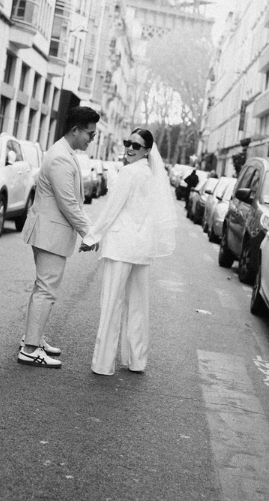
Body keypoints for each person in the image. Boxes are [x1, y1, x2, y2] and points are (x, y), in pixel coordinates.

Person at [81, 128, 176, 375]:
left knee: (111, 305)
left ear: (146, 150)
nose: (130, 148)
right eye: (128, 143)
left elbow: (112, 208)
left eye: (136, 145)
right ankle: (137, 360)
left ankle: (103, 363)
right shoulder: (150, 174)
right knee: (138, 307)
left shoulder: (128, 172)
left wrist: (92, 236)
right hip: (141, 249)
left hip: (121, 247)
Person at [18, 106, 100, 368]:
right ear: (75, 130)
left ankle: (33, 338)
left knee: (42, 287)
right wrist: (89, 233)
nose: (91, 139)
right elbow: (69, 204)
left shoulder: (65, 152)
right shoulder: (62, 158)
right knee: (46, 289)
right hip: (50, 234)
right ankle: (30, 349)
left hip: (48, 232)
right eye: (90, 133)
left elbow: (71, 201)